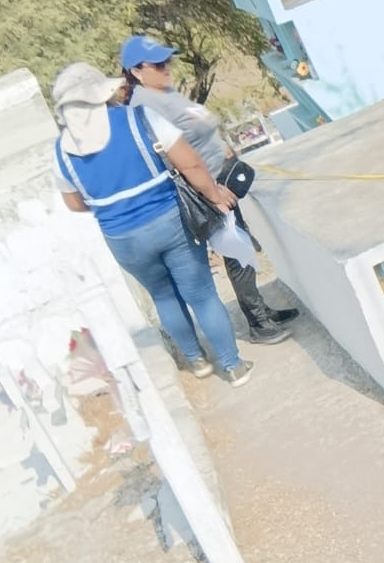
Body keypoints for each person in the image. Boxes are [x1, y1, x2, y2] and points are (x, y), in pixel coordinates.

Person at [50, 62, 255, 387]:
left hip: (122, 238)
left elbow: (74, 203)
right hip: (170, 222)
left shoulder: (61, 151)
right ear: (102, 93)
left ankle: (196, 361)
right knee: (201, 294)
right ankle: (233, 366)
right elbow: (190, 164)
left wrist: (116, 205)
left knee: (163, 296)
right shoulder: (138, 118)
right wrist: (214, 194)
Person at [120, 35, 298, 345]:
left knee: (241, 247)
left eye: (167, 61)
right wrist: (210, 191)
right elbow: (171, 158)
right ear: (136, 71)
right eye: (158, 64)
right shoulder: (144, 106)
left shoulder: (164, 93)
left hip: (221, 178)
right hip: (208, 188)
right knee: (237, 251)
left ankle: (261, 309)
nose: (167, 68)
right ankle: (258, 322)